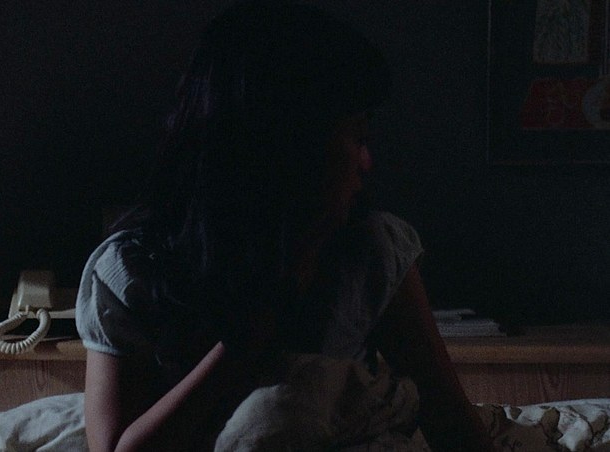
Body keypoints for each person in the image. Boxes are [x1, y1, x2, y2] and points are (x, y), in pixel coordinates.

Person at [76, 1, 493, 451]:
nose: (366, 161)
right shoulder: (132, 271)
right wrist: (245, 340)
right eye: (356, 136)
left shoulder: (370, 252)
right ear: (293, 142)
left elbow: (456, 429)